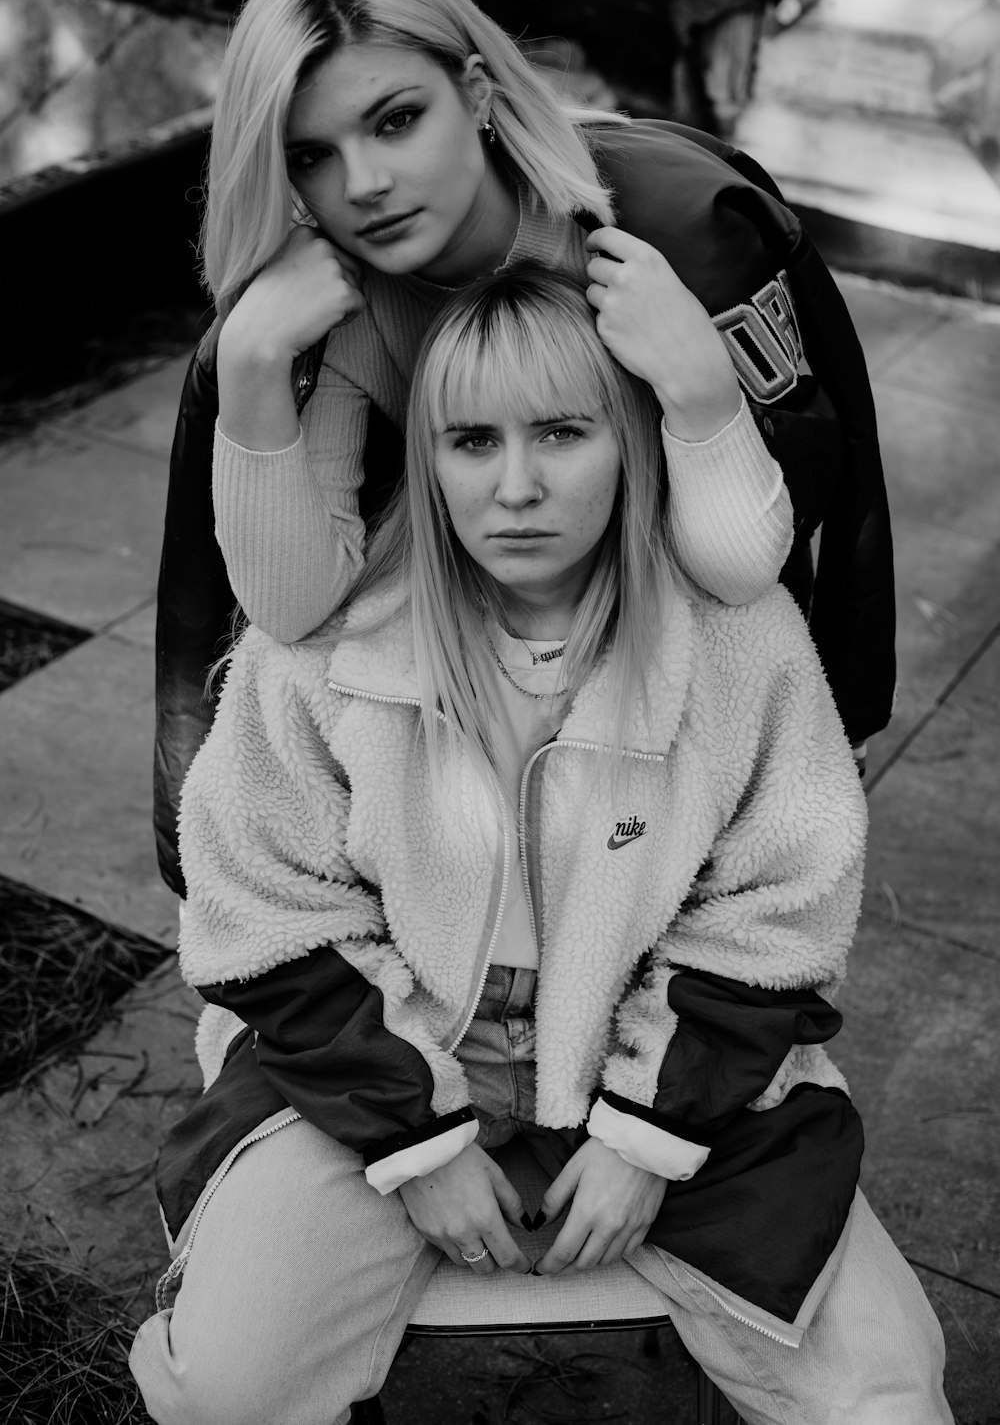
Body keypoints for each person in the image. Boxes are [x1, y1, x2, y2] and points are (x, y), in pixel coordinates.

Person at [132, 267, 948, 1425]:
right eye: (471, 440)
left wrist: (646, 1140)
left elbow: (784, 905)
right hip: (374, 1080)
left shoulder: (736, 641)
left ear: (627, 441)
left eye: (562, 433)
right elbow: (262, 907)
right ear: (427, 457)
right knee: (222, 1389)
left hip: (668, 1080)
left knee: (889, 1397)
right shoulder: (325, 648)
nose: (515, 488)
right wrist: (418, 1145)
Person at [154, 0, 895, 897]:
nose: (364, 186)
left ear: (471, 91)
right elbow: (291, 609)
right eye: (312, 156)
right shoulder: (338, 317)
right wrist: (252, 365)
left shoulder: (663, 243)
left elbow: (743, 576)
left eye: (394, 120)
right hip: (474, 751)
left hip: (667, 736)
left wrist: (697, 387)